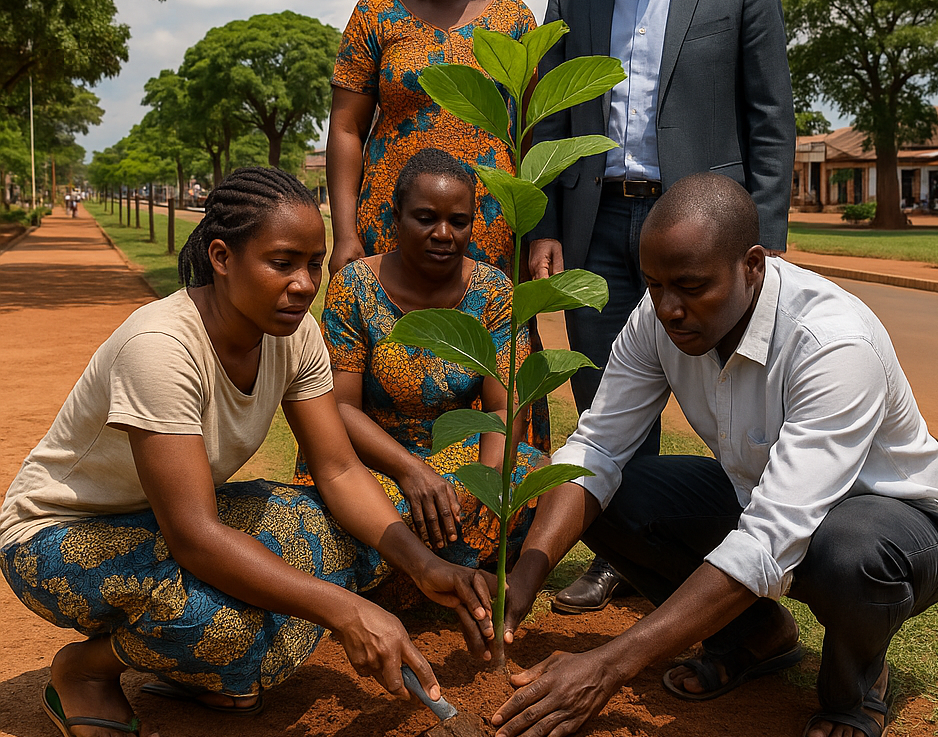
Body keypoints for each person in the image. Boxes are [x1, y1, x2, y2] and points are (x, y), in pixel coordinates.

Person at [0, 167, 498, 737]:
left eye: (313, 263)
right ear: (221, 256)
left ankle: (206, 670)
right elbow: (195, 536)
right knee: (227, 624)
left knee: (347, 539)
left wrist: (425, 563)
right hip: (58, 536)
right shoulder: (160, 348)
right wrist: (345, 611)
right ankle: (84, 672)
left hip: (166, 523)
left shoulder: (295, 334)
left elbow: (337, 471)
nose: (306, 283)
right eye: (282, 262)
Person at [491, 174, 938, 737]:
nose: (669, 308)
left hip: (897, 523)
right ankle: (754, 636)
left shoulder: (832, 343)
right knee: (615, 492)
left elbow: (773, 536)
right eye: (654, 285)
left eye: (692, 286)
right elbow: (596, 447)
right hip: (762, 497)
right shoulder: (658, 317)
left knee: (846, 552)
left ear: (752, 265)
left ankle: (855, 690)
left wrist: (610, 665)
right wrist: (525, 575)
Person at [528, 0, 797, 612]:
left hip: (704, 224)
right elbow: (548, 115)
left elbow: (770, 114)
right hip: (594, 217)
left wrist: (767, 235)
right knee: (602, 385)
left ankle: (753, 530)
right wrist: (546, 222)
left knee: (734, 381)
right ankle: (620, 550)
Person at [295, 148, 543, 584]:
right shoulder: (354, 288)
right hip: (372, 464)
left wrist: (485, 488)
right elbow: (341, 409)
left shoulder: (495, 293)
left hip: (461, 465)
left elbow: (504, 410)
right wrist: (411, 471)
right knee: (362, 507)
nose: (443, 234)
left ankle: (395, 567)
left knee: (545, 480)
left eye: (459, 222)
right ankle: (440, 562)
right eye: (425, 218)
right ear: (395, 217)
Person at [325, 0, 536, 278]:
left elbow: (533, 131)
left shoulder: (514, 17)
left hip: (491, 225)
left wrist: (535, 235)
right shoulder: (375, 13)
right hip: (394, 224)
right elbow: (347, 128)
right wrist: (344, 235)